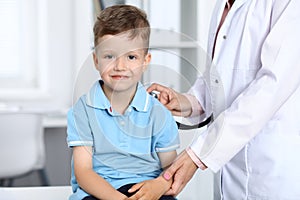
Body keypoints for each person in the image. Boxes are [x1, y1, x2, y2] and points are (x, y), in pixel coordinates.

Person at [147, 0, 300, 199]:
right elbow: (219, 73)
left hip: (270, 170)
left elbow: (271, 87)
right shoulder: (223, 5)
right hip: (228, 171)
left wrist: (198, 154)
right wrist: (187, 102)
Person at [66, 5, 179, 200]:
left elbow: (170, 168)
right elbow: (83, 172)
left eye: (131, 57)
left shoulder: (158, 113)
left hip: (146, 190)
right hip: (99, 192)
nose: (120, 66)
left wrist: (159, 186)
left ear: (146, 61)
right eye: (109, 56)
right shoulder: (82, 111)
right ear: (96, 60)